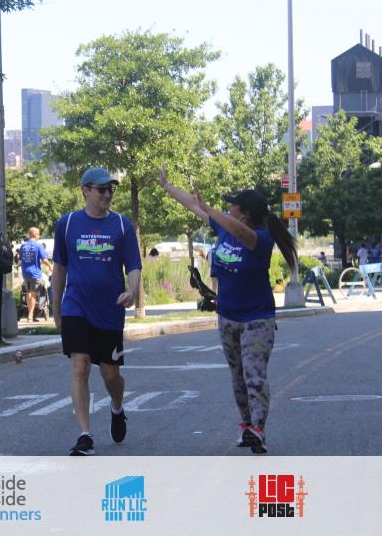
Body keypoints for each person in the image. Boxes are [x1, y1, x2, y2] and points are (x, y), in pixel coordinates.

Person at [159, 166, 297, 455]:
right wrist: (168, 187)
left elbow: (241, 231)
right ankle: (246, 426)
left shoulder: (261, 239)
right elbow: (193, 205)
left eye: (233, 205)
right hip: (228, 317)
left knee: (254, 374)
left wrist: (210, 209)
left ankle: (258, 429)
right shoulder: (224, 228)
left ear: (243, 213)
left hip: (257, 318)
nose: (228, 208)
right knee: (238, 376)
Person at [51, 167, 141, 456]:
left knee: (110, 375)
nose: (107, 194)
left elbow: (134, 265)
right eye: (102, 189)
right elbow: (59, 268)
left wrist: (132, 290)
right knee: (80, 366)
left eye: (110, 189)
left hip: (110, 311)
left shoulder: (122, 225)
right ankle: (85, 435)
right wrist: (56, 306)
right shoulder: (67, 224)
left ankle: (117, 407)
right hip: (76, 305)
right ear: (86, 191)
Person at [17, 227, 51, 322]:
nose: (39, 236)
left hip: (25, 273)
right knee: (34, 293)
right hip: (35, 273)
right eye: (39, 234)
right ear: (35, 235)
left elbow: (20, 261)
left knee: (28, 292)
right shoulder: (38, 246)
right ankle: (30, 315)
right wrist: (50, 266)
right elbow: (44, 260)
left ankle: (30, 313)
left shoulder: (23, 246)